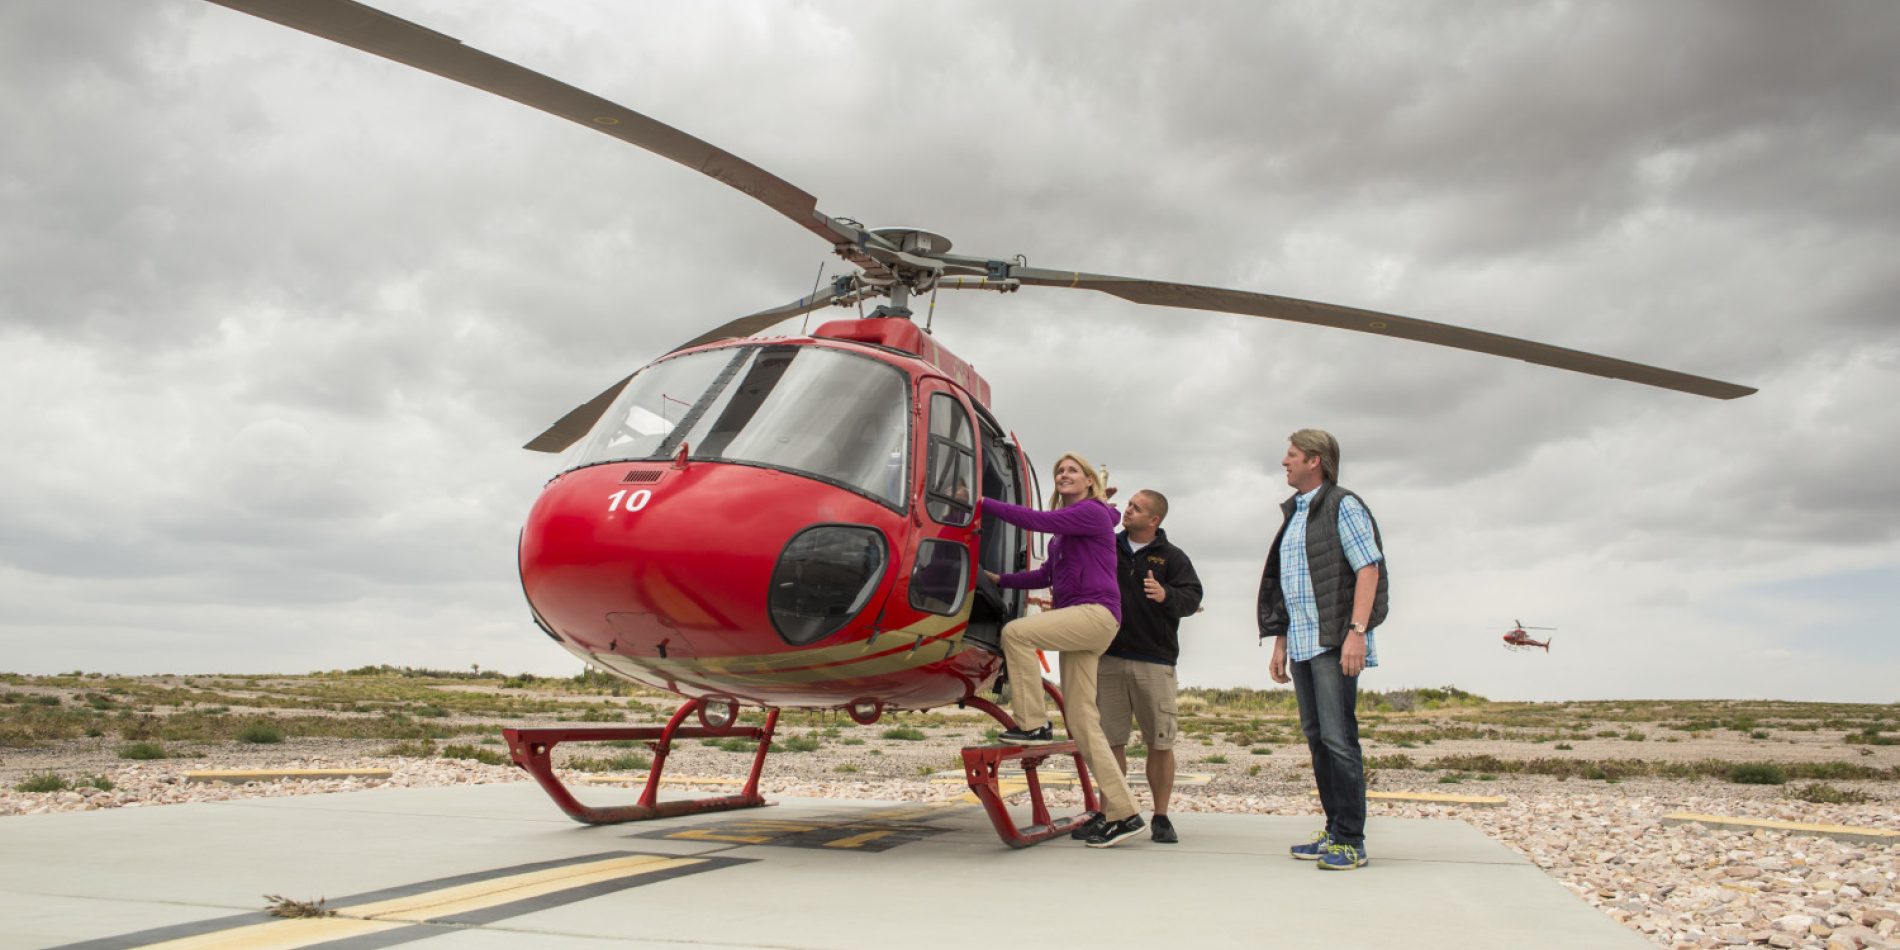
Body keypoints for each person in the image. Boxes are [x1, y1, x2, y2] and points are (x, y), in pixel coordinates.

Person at [981, 452, 1145, 848]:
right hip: (1082, 621)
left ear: (1090, 481)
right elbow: (1045, 575)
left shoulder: (1089, 512)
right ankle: (1125, 813)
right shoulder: (1065, 535)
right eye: (1059, 471)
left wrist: (982, 503)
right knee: (1085, 723)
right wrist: (999, 578)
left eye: (1072, 470)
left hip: (1095, 614)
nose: (1063, 474)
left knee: (1017, 634)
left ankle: (1033, 721)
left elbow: (1037, 519)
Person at [1257, 428, 1388, 872]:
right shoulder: (1295, 514)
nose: (1284, 462)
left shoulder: (1343, 504)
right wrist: (1280, 642)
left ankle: (1352, 840)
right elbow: (1288, 588)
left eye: (1292, 454)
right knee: (1317, 739)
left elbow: (1367, 569)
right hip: (1301, 643)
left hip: (1335, 641)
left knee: (1339, 739)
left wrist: (1357, 632)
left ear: (1316, 460)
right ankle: (1334, 831)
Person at [1070, 489, 1202, 844]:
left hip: (1154, 661)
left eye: (1136, 508)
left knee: (1160, 741)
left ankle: (1161, 816)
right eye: (1128, 505)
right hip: (1107, 657)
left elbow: (1193, 598)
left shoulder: (1173, 558)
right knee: (1109, 742)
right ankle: (1111, 813)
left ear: (1154, 520)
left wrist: (1166, 596)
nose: (1127, 511)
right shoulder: (1106, 546)